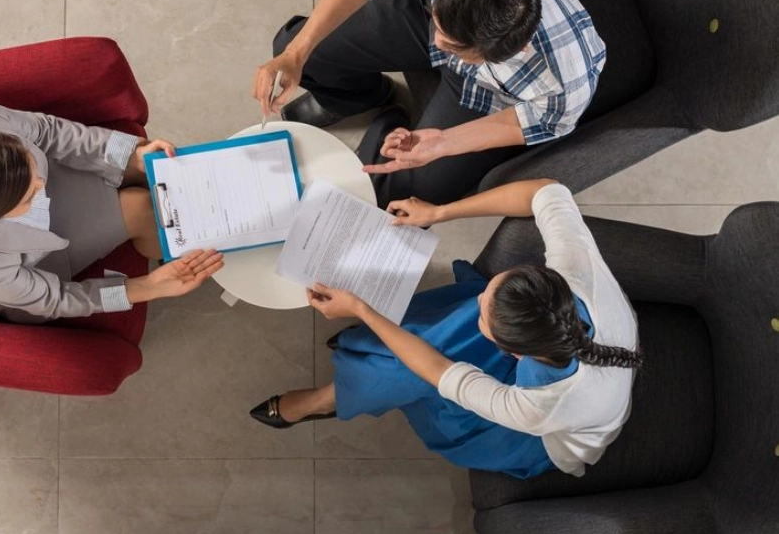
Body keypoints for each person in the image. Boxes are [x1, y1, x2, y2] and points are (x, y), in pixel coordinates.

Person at [249, 180, 640, 480]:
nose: (480, 301)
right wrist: (439, 213)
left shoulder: (538, 406)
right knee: (444, 334)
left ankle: (329, 397)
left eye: (486, 314)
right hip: (559, 363)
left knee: (411, 367)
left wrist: (361, 309)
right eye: (491, 290)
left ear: (513, 352)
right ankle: (360, 364)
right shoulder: (576, 270)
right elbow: (547, 189)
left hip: (535, 439)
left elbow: (436, 369)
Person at [252, 0, 606, 208]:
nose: (436, 42)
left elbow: (535, 123)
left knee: (394, 200)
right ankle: (357, 97)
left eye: (450, 46)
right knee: (299, 45)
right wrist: (296, 53)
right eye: (440, 31)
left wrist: (444, 143)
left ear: (514, 51)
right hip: (431, 9)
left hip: (494, 96)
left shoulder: (565, 85)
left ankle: (387, 121)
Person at [0, 103, 222, 323]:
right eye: (31, 194)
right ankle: (187, 244)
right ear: (0, 216)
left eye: (33, 169)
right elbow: (55, 300)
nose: (41, 185)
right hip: (23, 268)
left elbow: (49, 132)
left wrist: (132, 155)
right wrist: (149, 288)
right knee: (141, 207)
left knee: (151, 164)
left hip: (3, 188)